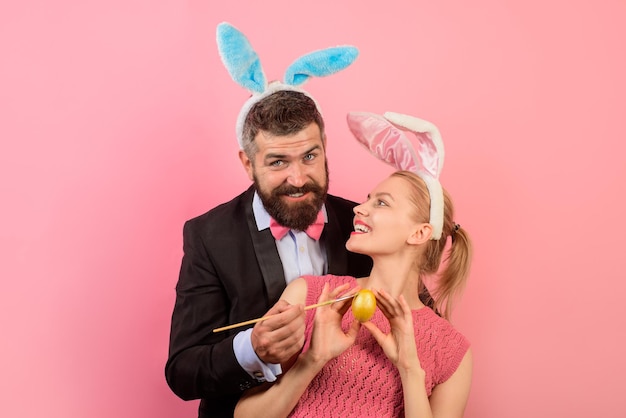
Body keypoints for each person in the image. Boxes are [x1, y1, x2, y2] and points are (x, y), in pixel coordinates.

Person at [165, 23, 372, 418]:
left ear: (325, 147)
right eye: (278, 162)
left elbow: (416, 311)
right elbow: (183, 372)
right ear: (248, 163)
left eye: (309, 156)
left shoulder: (363, 220)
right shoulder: (209, 235)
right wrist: (251, 350)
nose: (298, 179)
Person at [233, 111, 473, 418]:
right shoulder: (311, 297)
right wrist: (313, 359)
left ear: (420, 232)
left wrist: (410, 369)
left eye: (381, 202)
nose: (360, 208)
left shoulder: (451, 350)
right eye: (369, 198)